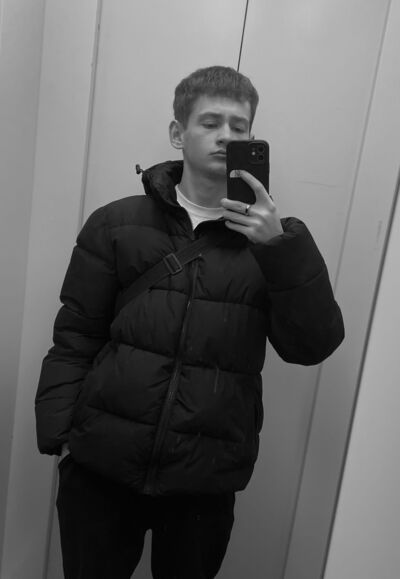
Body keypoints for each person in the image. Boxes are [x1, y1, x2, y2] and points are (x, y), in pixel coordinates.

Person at [35, 65, 344, 579]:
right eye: (211, 122)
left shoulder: (275, 241)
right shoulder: (116, 224)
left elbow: (311, 346)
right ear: (179, 133)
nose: (226, 136)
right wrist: (63, 439)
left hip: (204, 480)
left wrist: (280, 250)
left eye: (239, 127)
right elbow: (75, 336)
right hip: (100, 467)